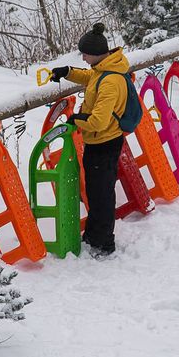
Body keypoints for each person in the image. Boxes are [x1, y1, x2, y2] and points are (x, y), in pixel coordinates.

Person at [50, 22, 128, 258]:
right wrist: (67, 72)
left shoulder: (111, 82)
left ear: (94, 54)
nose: (83, 58)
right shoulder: (105, 69)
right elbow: (91, 78)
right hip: (102, 142)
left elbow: (98, 122)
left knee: (101, 194)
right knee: (96, 192)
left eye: (84, 54)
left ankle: (104, 243)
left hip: (104, 142)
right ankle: (95, 235)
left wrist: (76, 119)